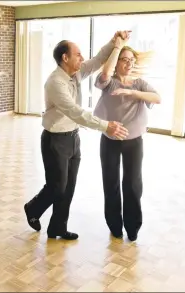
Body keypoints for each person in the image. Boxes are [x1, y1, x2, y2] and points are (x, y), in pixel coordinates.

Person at [23, 31, 130, 241]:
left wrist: (114, 41)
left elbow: (99, 59)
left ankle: (57, 228)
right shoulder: (55, 82)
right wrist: (105, 126)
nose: (82, 58)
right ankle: (33, 208)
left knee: (68, 187)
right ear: (65, 58)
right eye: (78, 55)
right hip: (55, 140)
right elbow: (75, 112)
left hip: (73, 137)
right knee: (57, 186)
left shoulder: (76, 73)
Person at [93, 32, 161, 242]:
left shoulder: (139, 83)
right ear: (117, 62)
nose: (129, 64)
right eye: (125, 60)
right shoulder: (109, 82)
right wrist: (117, 47)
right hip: (110, 141)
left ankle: (132, 227)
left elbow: (157, 98)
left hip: (134, 142)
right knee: (110, 183)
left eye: (131, 60)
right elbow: (104, 74)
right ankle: (114, 225)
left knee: (132, 184)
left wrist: (132, 93)